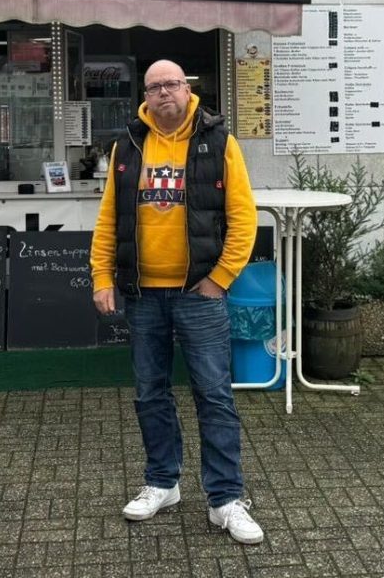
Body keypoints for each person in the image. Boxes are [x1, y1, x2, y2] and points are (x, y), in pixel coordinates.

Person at [90, 59, 263, 545]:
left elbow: (243, 218)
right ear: (144, 95)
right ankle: (163, 483)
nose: (164, 92)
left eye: (172, 84)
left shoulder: (218, 143)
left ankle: (226, 499)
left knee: (214, 394)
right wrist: (102, 276)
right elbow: (108, 221)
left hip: (198, 293)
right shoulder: (127, 146)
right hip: (143, 292)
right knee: (150, 393)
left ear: (188, 89)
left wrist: (220, 279)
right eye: (154, 86)